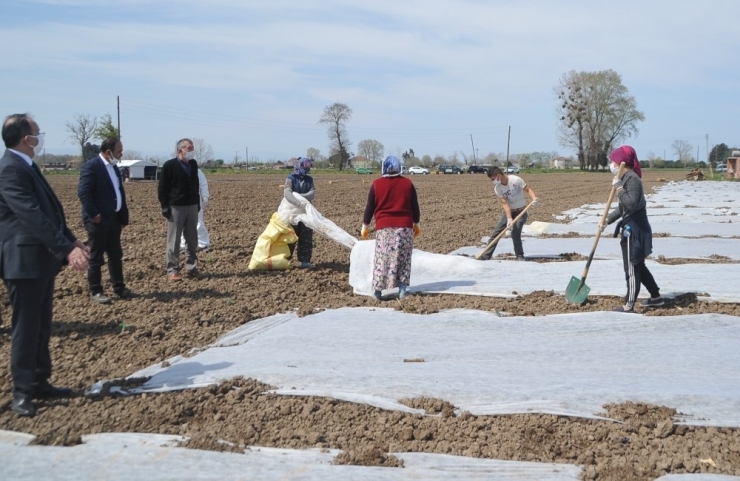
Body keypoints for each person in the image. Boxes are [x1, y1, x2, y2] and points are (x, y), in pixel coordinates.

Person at [0, 113, 90, 417]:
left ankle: (40, 381)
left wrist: (71, 240)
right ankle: (22, 393)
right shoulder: (10, 169)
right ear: (26, 139)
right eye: (38, 133)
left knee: (40, 325)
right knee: (25, 329)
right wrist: (65, 249)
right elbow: (31, 216)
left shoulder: (26, 166)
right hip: (22, 262)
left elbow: (51, 213)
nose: (40, 137)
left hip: (39, 261)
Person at [600, 145, 663, 313]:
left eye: (613, 161)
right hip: (633, 226)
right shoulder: (626, 178)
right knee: (639, 265)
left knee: (632, 267)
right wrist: (607, 220)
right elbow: (622, 208)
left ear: (621, 163)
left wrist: (619, 188)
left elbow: (630, 203)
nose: (611, 165)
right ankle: (656, 297)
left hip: (635, 230)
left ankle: (629, 305)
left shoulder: (632, 179)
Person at [78, 137, 132, 304]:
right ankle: (96, 290)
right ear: (108, 152)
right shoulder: (92, 166)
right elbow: (84, 192)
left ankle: (119, 287)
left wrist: (122, 216)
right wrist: (94, 214)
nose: (120, 155)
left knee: (115, 255)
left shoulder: (114, 168)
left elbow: (118, 192)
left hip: (113, 219)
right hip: (98, 221)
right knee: (96, 256)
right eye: (119, 152)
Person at [361, 156, 421, 300]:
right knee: (403, 258)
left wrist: (365, 226)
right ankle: (402, 290)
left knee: (382, 259)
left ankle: (377, 291)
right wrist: (416, 223)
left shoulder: (377, 184)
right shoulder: (407, 183)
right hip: (404, 228)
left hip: (384, 228)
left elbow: (370, 207)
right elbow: (415, 205)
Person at [158, 138, 202, 281]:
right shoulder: (169, 166)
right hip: (176, 207)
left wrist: (197, 201)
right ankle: (172, 270)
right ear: (180, 150)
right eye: (189, 149)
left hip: (192, 206)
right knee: (174, 240)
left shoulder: (193, 164)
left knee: (192, 238)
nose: (192, 151)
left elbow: (195, 184)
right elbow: (162, 188)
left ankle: (191, 267)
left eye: (192, 148)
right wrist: (164, 205)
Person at [478, 166, 539, 261]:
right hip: (510, 211)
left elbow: (528, 189)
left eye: (493, 179)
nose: (492, 181)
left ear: (498, 176)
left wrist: (534, 198)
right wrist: (509, 219)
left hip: (521, 212)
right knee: (496, 232)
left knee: (515, 233)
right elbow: (505, 204)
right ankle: (486, 256)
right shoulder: (498, 188)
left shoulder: (515, 180)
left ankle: (520, 256)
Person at [284, 157, 316, 268]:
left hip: (306, 212)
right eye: (305, 167)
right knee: (290, 237)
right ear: (300, 166)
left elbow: (312, 193)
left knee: (306, 237)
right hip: (292, 212)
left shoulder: (309, 180)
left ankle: (305, 261)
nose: (307, 170)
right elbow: (287, 193)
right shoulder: (290, 178)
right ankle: (285, 260)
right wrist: (297, 202)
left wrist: (299, 196)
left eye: (308, 168)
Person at [181, 168, 211, 251]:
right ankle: (184, 245)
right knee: (183, 223)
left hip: (195, 200)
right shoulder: (176, 169)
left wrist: (205, 197)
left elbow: (203, 183)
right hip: (180, 200)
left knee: (199, 222)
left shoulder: (196, 171)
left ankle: (203, 244)